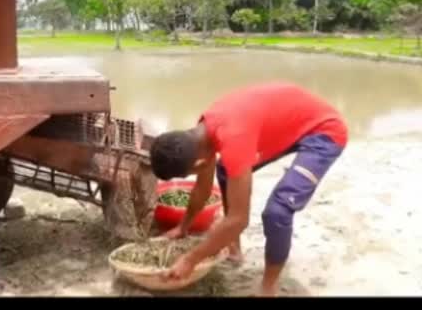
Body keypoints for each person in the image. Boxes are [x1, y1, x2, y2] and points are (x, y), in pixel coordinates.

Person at [149, 82, 347, 296]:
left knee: (278, 211)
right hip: (287, 124)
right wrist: (183, 227)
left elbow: (239, 219)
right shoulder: (198, 137)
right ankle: (234, 249)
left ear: (197, 164)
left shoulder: (233, 138)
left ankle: (268, 288)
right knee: (225, 170)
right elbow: (203, 188)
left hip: (324, 132)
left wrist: (190, 259)